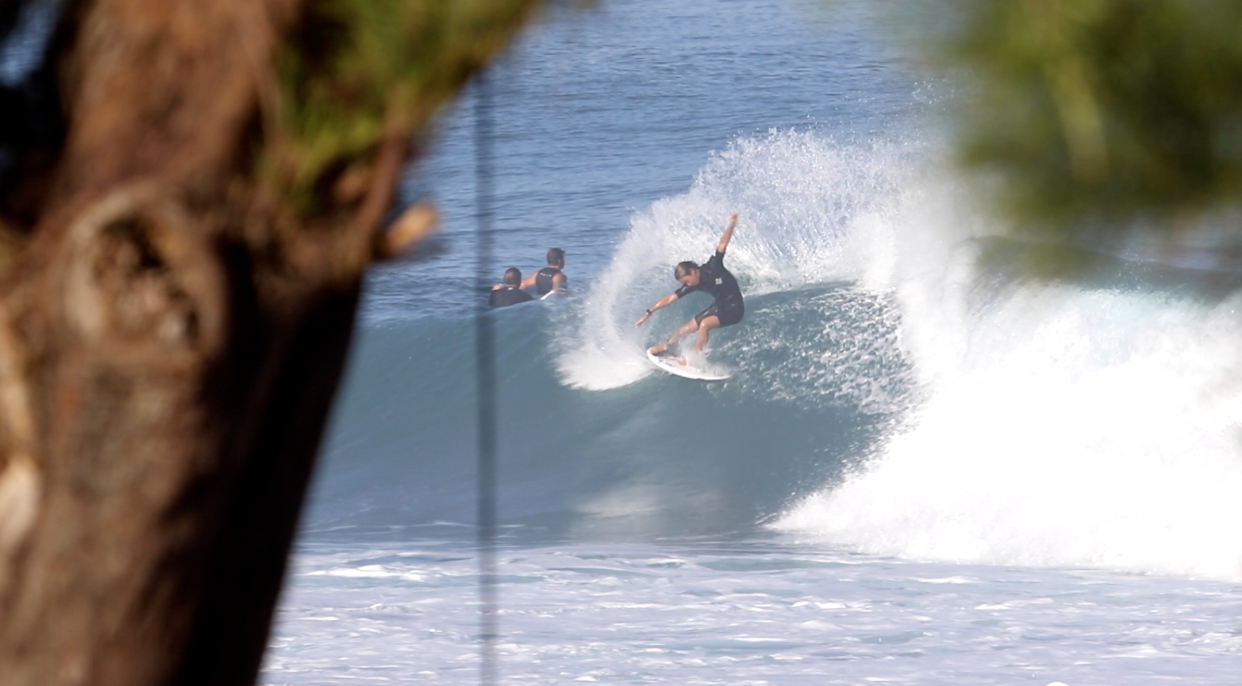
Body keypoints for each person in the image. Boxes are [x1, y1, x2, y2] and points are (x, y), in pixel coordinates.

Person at [635, 213, 743, 358]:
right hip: (720, 306)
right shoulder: (693, 284)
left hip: (735, 309)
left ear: (693, 271)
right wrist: (648, 312)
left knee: (704, 325)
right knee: (686, 329)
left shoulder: (713, 267)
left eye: (686, 281)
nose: (687, 285)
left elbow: (722, 244)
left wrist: (731, 226)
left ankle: (695, 360)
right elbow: (670, 298)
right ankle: (666, 347)